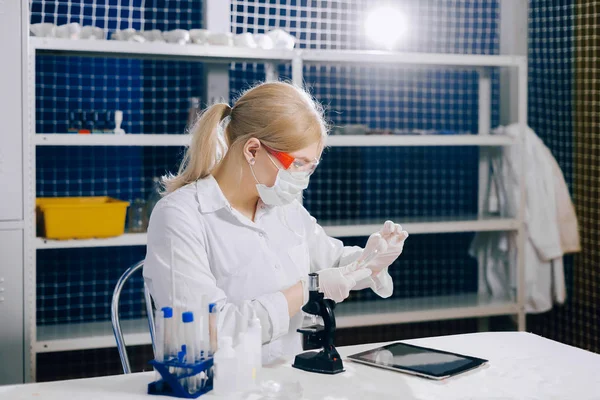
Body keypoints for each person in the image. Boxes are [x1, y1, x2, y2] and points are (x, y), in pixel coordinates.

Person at [143, 82, 408, 364]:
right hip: (214, 387)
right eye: (297, 164)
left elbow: (331, 262)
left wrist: (370, 261)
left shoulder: (284, 209)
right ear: (253, 150)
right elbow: (202, 334)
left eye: (311, 166)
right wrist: (305, 289)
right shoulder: (180, 216)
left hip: (285, 383)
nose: (304, 178)